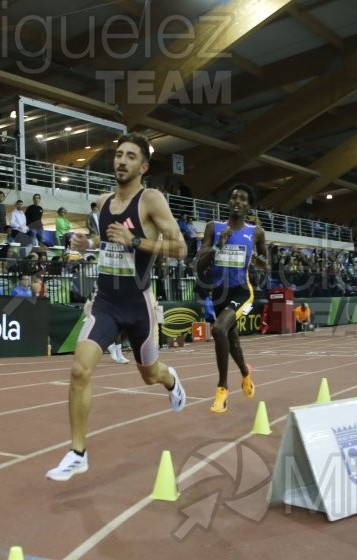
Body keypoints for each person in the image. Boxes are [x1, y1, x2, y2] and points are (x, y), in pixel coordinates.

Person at [45, 132, 187, 482]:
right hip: (107, 301)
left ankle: (171, 381)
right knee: (79, 370)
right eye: (118, 154)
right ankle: (78, 453)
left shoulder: (150, 199)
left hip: (138, 304)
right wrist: (86, 242)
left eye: (130, 156)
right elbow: (106, 241)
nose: (121, 161)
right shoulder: (103, 200)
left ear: (143, 166)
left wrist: (136, 240)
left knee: (149, 375)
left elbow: (181, 248)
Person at [195, 183, 268, 414]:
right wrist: (218, 246)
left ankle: (222, 388)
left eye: (243, 199)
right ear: (228, 203)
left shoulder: (255, 232)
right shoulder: (213, 227)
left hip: (241, 291)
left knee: (218, 330)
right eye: (234, 197)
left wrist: (259, 262)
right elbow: (200, 264)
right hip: (218, 292)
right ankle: (246, 375)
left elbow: (264, 262)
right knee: (232, 340)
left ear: (249, 206)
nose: (237, 201)